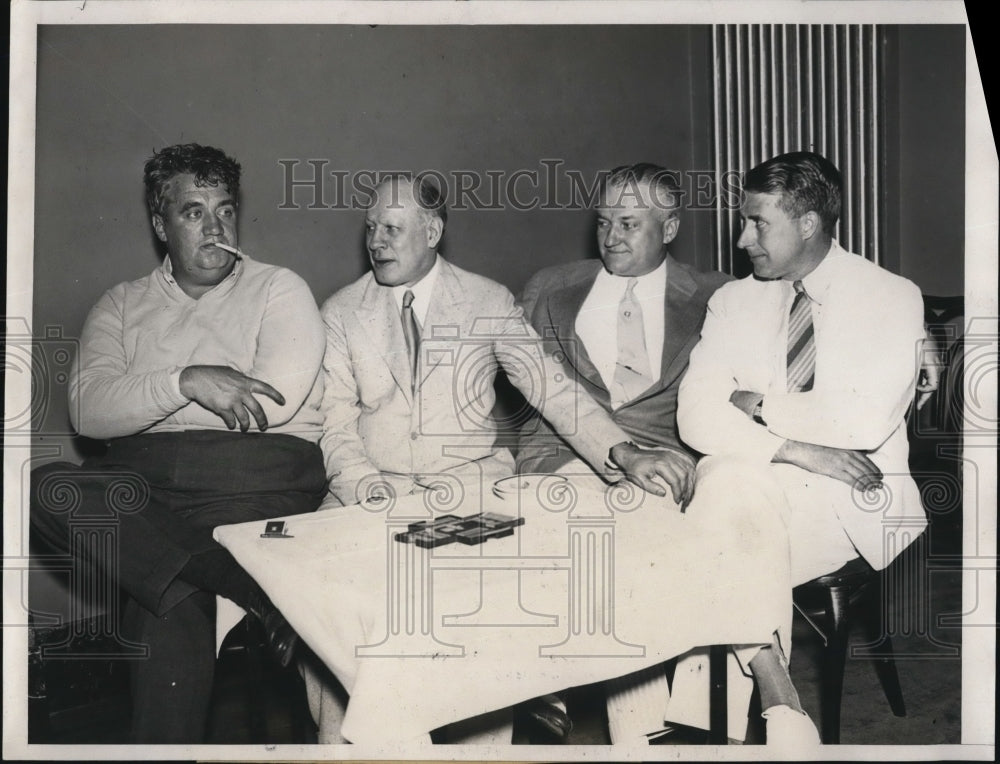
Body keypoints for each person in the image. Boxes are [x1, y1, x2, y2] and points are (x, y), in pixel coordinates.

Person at [307, 173, 688, 743]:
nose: (377, 242)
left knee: (483, 625)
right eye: (371, 229)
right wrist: (368, 489)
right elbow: (334, 422)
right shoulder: (340, 310)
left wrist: (623, 452)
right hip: (366, 488)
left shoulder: (486, 300)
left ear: (432, 231)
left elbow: (551, 389)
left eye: (392, 229)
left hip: (466, 489)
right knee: (330, 615)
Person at [30, 144, 328, 743]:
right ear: (159, 224)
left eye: (225, 210)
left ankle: (211, 575)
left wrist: (141, 408)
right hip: (151, 498)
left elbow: (273, 406)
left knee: (159, 590)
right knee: (46, 486)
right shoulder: (118, 304)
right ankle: (252, 589)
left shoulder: (278, 288)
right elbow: (89, 411)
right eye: (194, 212)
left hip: (253, 483)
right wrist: (188, 381)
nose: (216, 228)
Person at [515, 163, 819, 747]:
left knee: (648, 540)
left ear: (671, 226)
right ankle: (687, 723)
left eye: (629, 223)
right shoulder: (550, 287)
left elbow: (748, 390)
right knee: (632, 543)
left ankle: (637, 733)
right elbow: (529, 398)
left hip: (665, 471)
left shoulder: (715, 296)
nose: (611, 237)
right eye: (604, 222)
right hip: (565, 466)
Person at [676, 150, 928, 739]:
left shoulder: (890, 297)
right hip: (776, 474)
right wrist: (795, 449)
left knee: (716, 526)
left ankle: (708, 726)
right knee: (734, 502)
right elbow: (693, 414)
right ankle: (779, 702)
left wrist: (757, 405)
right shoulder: (733, 301)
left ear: (809, 222)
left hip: (851, 492)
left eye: (758, 223)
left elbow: (863, 422)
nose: (742, 239)